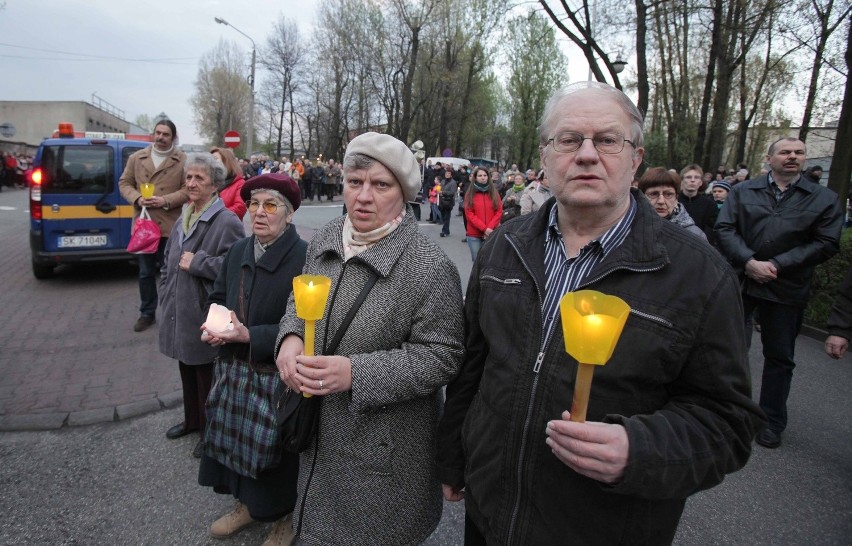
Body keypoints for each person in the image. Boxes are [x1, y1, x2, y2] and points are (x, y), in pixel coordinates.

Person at [437, 82, 764, 545]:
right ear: (546, 157)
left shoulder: (699, 274)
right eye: (569, 140)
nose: (587, 155)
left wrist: (640, 450)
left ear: (635, 160)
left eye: (608, 140)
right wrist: (453, 454)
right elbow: (474, 365)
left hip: (605, 525)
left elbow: (728, 424)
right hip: (491, 513)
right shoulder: (504, 246)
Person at [275, 132, 465, 545]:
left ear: (404, 193)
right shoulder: (326, 237)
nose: (363, 196)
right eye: (354, 181)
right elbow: (298, 296)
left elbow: (443, 356)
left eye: (380, 185)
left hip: (382, 452)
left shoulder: (428, 266)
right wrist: (290, 338)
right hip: (316, 433)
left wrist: (355, 374)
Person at [198, 172, 307, 545]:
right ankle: (246, 505)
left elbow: (312, 327)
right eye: (254, 204)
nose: (259, 213)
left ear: (289, 214)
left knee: (276, 455)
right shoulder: (238, 251)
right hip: (234, 369)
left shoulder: (306, 258)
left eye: (271, 205)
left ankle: (284, 520)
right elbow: (217, 295)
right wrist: (214, 323)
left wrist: (252, 336)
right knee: (235, 443)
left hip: (276, 374)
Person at [715, 136, 843, 449]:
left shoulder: (823, 199)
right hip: (743, 280)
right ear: (769, 158)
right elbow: (725, 228)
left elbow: (826, 242)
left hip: (786, 286)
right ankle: (724, 413)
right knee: (727, 349)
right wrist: (748, 261)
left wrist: (776, 264)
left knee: (780, 357)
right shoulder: (744, 191)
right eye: (785, 152)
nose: (792, 157)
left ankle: (770, 420)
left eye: (798, 153)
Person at [158, 153, 244, 456]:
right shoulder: (185, 214)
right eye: (189, 177)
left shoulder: (226, 221)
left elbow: (236, 267)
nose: (191, 183)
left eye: (199, 178)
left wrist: (199, 263)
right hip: (177, 308)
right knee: (186, 367)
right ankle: (192, 421)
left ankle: (212, 432)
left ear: (215, 185)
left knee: (206, 375)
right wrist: (163, 290)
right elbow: (169, 260)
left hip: (203, 310)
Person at [119, 120, 189, 332]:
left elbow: (188, 189)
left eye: (165, 134)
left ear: (173, 137)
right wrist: (138, 198)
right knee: (145, 272)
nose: (160, 137)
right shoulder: (136, 158)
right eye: (157, 133)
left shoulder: (182, 160)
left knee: (171, 273)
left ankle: (171, 312)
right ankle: (147, 313)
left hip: (169, 226)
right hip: (144, 226)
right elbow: (124, 183)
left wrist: (166, 200)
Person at [639, 167, 707, 240]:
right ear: (642, 197)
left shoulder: (694, 235)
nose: (661, 201)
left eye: (668, 194)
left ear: (676, 198)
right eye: (653, 194)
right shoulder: (629, 228)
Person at [463, 167, 502, 261]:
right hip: (474, 234)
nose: (483, 177)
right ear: (475, 178)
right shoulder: (470, 193)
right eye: (480, 175)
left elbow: (499, 211)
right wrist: (484, 229)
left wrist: (489, 228)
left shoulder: (494, 193)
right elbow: (469, 214)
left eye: (485, 175)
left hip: (491, 232)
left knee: (490, 261)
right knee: (477, 261)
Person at [677, 164, 715, 239]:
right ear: (681, 181)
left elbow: (711, 230)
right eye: (688, 177)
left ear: (701, 182)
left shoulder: (709, 204)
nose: (692, 180)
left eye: (697, 177)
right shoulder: (673, 201)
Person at [210, 146, 247, 219]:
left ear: (226, 161)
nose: (211, 162)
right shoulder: (209, 181)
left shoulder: (240, 183)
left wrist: (214, 215)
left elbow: (240, 208)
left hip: (228, 226)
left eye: (215, 159)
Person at [438, 167, 458, 237]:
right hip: (442, 201)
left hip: (449, 202)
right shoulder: (443, 181)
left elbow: (452, 192)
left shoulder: (453, 182)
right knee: (443, 217)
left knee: (447, 217)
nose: (447, 174)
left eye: (449, 173)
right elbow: (440, 188)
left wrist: (443, 192)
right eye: (446, 173)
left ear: (451, 175)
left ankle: (444, 231)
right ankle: (447, 230)